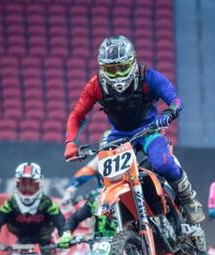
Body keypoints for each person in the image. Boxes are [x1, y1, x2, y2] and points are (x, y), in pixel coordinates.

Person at [63, 34, 204, 225]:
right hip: (119, 136)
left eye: (122, 67)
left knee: (161, 163)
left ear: (132, 62)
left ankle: (188, 200)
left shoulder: (148, 76)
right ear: (102, 68)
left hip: (149, 130)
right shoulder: (95, 85)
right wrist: (71, 142)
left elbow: (175, 100)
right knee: (110, 178)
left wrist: (169, 113)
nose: (118, 74)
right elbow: (77, 114)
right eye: (111, 70)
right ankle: (123, 218)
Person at [61, 130, 110, 205]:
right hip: (104, 196)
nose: (110, 152)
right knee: (78, 215)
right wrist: (70, 191)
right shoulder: (98, 160)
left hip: (127, 192)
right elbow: (81, 176)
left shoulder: (131, 155)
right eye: (106, 149)